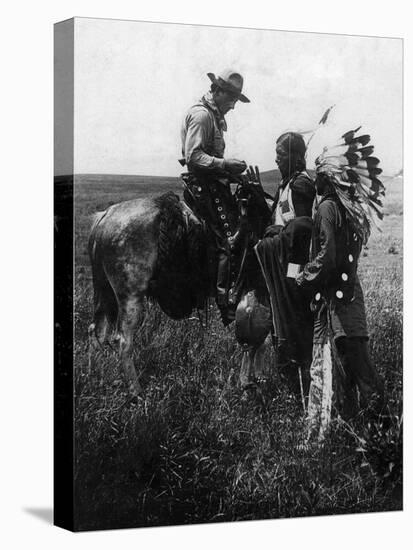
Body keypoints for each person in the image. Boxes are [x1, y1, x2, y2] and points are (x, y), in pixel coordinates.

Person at [296, 131, 385, 442]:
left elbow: (328, 255)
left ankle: (379, 434)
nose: (315, 182)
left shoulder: (327, 209)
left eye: (318, 176)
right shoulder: (349, 209)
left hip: (337, 303)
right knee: (355, 366)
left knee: (353, 367)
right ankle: (367, 433)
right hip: (350, 297)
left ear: (328, 179)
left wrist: (305, 275)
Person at [180, 69, 250, 324]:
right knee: (228, 240)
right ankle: (225, 301)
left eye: (236, 98)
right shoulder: (201, 115)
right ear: (217, 91)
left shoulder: (213, 116)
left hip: (212, 184)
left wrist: (231, 173)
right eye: (230, 97)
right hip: (203, 187)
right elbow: (193, 157)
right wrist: (225, 165)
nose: (233, 104)